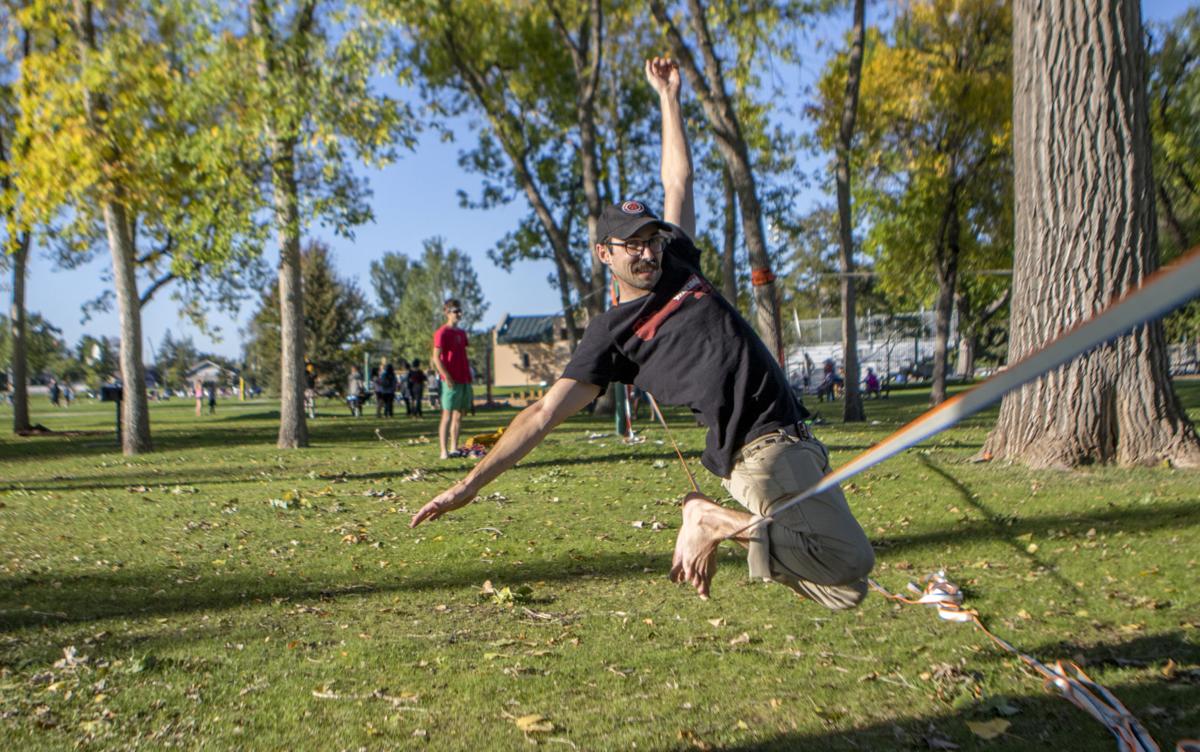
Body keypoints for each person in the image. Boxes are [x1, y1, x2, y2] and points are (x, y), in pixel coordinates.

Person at [411, 58, 874, 610]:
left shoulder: (677, 263)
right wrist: (469, 485)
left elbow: (677, 180)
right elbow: (541, 415)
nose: (647, 250)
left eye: (651, 239)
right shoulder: (611, 335)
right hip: (760, 452)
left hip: (795, 438)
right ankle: (707, 515)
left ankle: (715, 519)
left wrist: (668, 96)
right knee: (845, 568)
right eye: (632, 244)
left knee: (842, 587)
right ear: (605, 253)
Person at [433, 298, 472, 459]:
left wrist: (469, 375)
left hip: (464, 379)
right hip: (450, 380)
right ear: (447, 313)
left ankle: (454, 447)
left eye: (460, 311)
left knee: (459, 415)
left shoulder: (462, 333)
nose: (459, 314)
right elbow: (436, 358)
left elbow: (462, 355)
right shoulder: (442, 333)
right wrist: (447, 376)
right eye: (456, 311)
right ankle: (443, 451)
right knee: (447, 415)